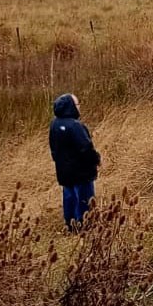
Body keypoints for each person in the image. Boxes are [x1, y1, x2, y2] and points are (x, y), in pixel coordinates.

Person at [49, 94, 101, 231]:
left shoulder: (54, 124)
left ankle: (70, 225)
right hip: (81, 172)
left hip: (64, 171)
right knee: (84, 199)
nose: (79, 107)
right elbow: (86, 148)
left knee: (69, 198)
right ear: (71, 107)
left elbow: (53, 148)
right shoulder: (76, 126)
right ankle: (84, 226)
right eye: (77, 104)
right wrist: (96, 159)